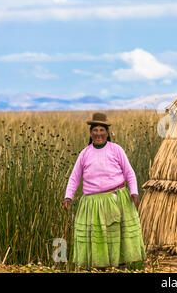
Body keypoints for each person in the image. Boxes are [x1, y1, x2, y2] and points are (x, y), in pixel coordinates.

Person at [63, 112, 146, 270]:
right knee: (98, 237)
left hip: (116, 200)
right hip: (93, 204)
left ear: (107, 133)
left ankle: (120, 267)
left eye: (102, 130)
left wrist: (134, 192)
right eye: (95, 130)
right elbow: (74, 177)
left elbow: (129, 172)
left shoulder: (116, 150)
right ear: (91, 133)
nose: (98, 133)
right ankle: (98, 267)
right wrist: (68, 197)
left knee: (117, 236)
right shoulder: (85, 153)